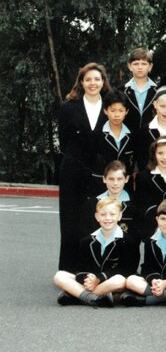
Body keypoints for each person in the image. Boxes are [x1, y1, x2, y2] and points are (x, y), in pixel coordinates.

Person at [57, 63, 111, 270]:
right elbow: (64, 141)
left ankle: (93, 267)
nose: (93, 83)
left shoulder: (110, 105)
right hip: (73, 168)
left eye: (97, 79)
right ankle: (69, 268)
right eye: (88, 79)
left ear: (103, 82)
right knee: (71, 219)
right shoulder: (69, 106)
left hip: (99, 170)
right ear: (81, 82)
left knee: (96, 216)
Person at [53, 197, 139, 307]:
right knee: (60, 275)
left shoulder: (129, 241)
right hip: (92, 281)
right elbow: (81, 268)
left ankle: (78, 296)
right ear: (97, 217)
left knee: (120, 280)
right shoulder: (87, 241)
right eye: (103, 215)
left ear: (119, 216)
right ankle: (94, 298)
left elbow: (127, 270)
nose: (108, 218)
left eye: (112, 214)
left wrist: (99, 278)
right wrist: (88, 279)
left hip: (110, 282)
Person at [134, 136, 166, 237]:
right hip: (152, 221)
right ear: (154, 154)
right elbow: (142, 205)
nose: (164, 157)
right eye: (160, 153)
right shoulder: (143, 177)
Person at [93, 90, 136, 175]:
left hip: (125, 185)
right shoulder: (96, 135)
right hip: (102, 184)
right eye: (113, 110)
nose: (117, 115)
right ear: (105, 111)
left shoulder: (132, 136)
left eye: (121, 110)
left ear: (126, 111)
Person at [120, 47, 157, 134]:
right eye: (136, 64)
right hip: (128, 138)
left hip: (151, 139)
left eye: (144, 64)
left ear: (150, 66)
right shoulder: (121, 91)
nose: (140, 67)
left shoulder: (158, 91)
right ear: (130, 66)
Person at [95, 160, 135, 235]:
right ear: (104, 179)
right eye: (111, 179)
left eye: (119, 179)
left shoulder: (134, 204)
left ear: (126, 179)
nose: (115, 183)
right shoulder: (93, 203)